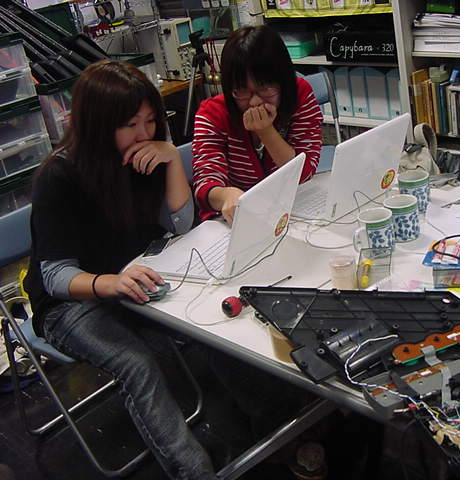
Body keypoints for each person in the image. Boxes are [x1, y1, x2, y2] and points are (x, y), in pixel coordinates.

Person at [23, 60, 215, 480]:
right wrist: (111, 283)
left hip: (132, 281)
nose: (144, 133)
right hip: (70, 303)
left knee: (211, 321)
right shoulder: (60, 176)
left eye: (150, 120)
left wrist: (171, 159)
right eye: (130, 124)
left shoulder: (144, 158)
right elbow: (55, 277)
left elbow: (181, 225)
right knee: (137, 364)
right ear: (98, 125)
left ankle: (265, 420)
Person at [192, 24, 323, 224]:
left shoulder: (300, 95)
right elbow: (204, 186)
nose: (254, 102)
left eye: (265, 88)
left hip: (290, 206)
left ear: (283, 82)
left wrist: (266, 132)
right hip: (237, 218)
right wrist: (226, 195)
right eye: (242, 91)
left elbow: (304, 173)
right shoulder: (212, 113)